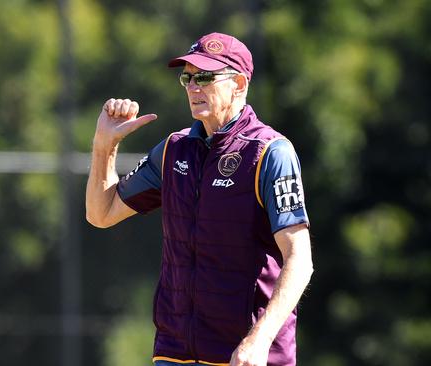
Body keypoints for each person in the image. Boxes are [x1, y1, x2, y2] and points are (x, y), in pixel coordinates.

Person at [85, 32, 313, 366]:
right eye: (188, 78)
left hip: (245, 357)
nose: (194, 87)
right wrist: (104, 145)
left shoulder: (270, 153)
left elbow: (300, 260)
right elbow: (100, 214)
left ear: (238, 83)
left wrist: (259, 340)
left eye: (205, 77)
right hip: (175, 354)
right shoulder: (173, 150)